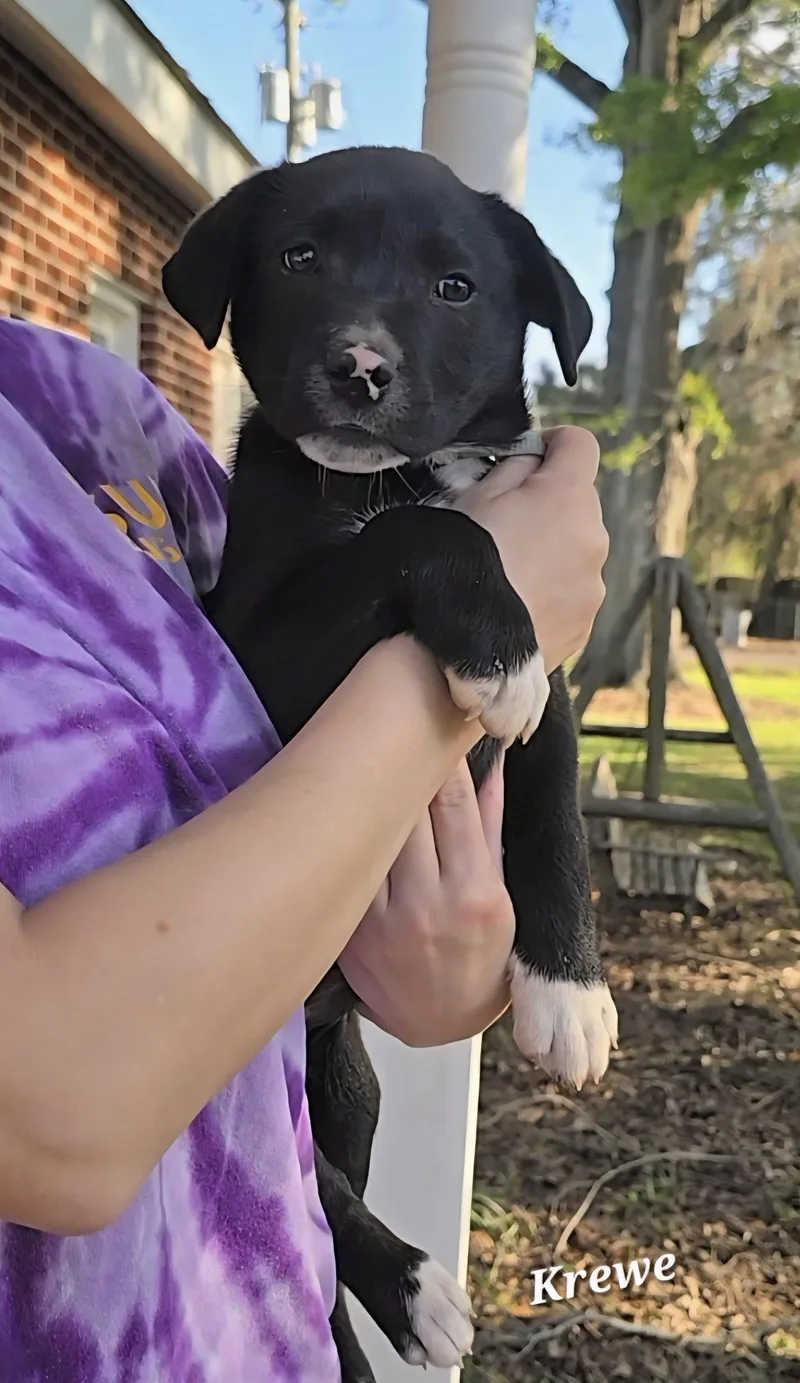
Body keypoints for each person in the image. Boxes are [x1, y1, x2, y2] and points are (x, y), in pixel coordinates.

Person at [0, 312, 607, 1381]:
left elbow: (274, 789)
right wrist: (470, 620)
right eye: (299, 269)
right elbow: (53, 1116)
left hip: (263, 1324)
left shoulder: (93, 411)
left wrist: (447, 967)